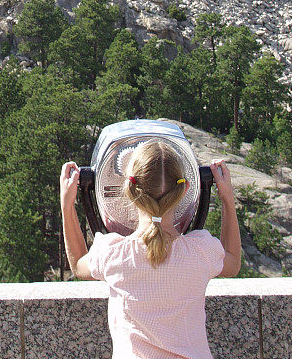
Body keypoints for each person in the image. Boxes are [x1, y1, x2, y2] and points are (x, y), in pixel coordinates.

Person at [60, 140, 241, 359]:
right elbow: (232, 262)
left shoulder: (113, 254)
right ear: (185, 189)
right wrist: (227, 199)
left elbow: (79, 264)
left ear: (128, 188)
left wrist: (67, 204)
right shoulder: (201, 251)